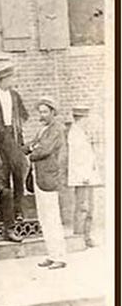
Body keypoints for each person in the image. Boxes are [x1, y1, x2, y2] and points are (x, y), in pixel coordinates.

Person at [25, 97, 67, 269]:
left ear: (52, 112)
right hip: (39, 178)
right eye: (40, 111)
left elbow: (44, 150)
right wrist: (32, 148)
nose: (41, 115)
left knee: (53, 218)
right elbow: (30, 145)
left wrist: (33, 150)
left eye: (44, 111)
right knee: (44, 218)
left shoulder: (56, 129)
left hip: (49, 178)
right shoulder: (42, 129)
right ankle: (51, 253)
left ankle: (60, 256)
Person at [0, 63, 29, 221]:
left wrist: (17, 124)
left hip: (15, 136)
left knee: (18, 172)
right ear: (4, 79)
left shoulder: (15, 96)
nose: (13, 80)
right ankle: (6, 210)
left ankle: (18, 210)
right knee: (4, 172)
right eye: (12, 78)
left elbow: (24, 115)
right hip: (1, 137)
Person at [67, 105, 99, 247]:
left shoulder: (81, 132)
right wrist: (84, 175)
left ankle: (87, 236)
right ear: (81, 118)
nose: (88, 121)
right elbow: (76, 159)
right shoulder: (75, 135)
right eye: (86, 118)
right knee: (83, 207)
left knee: (89, 207)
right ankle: (79, 238)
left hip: (88, 176)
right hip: (82, 177)